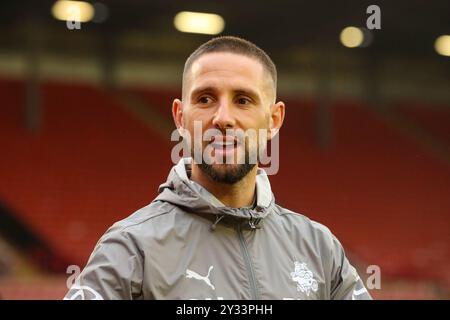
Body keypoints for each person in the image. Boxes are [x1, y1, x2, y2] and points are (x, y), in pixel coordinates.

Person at [64, 36, 372, 300]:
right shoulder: (131, 248)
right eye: (206, 98)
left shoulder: (319, 249)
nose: (222, 118)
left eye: (243, 100)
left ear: (274, 120)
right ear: (180, 117)